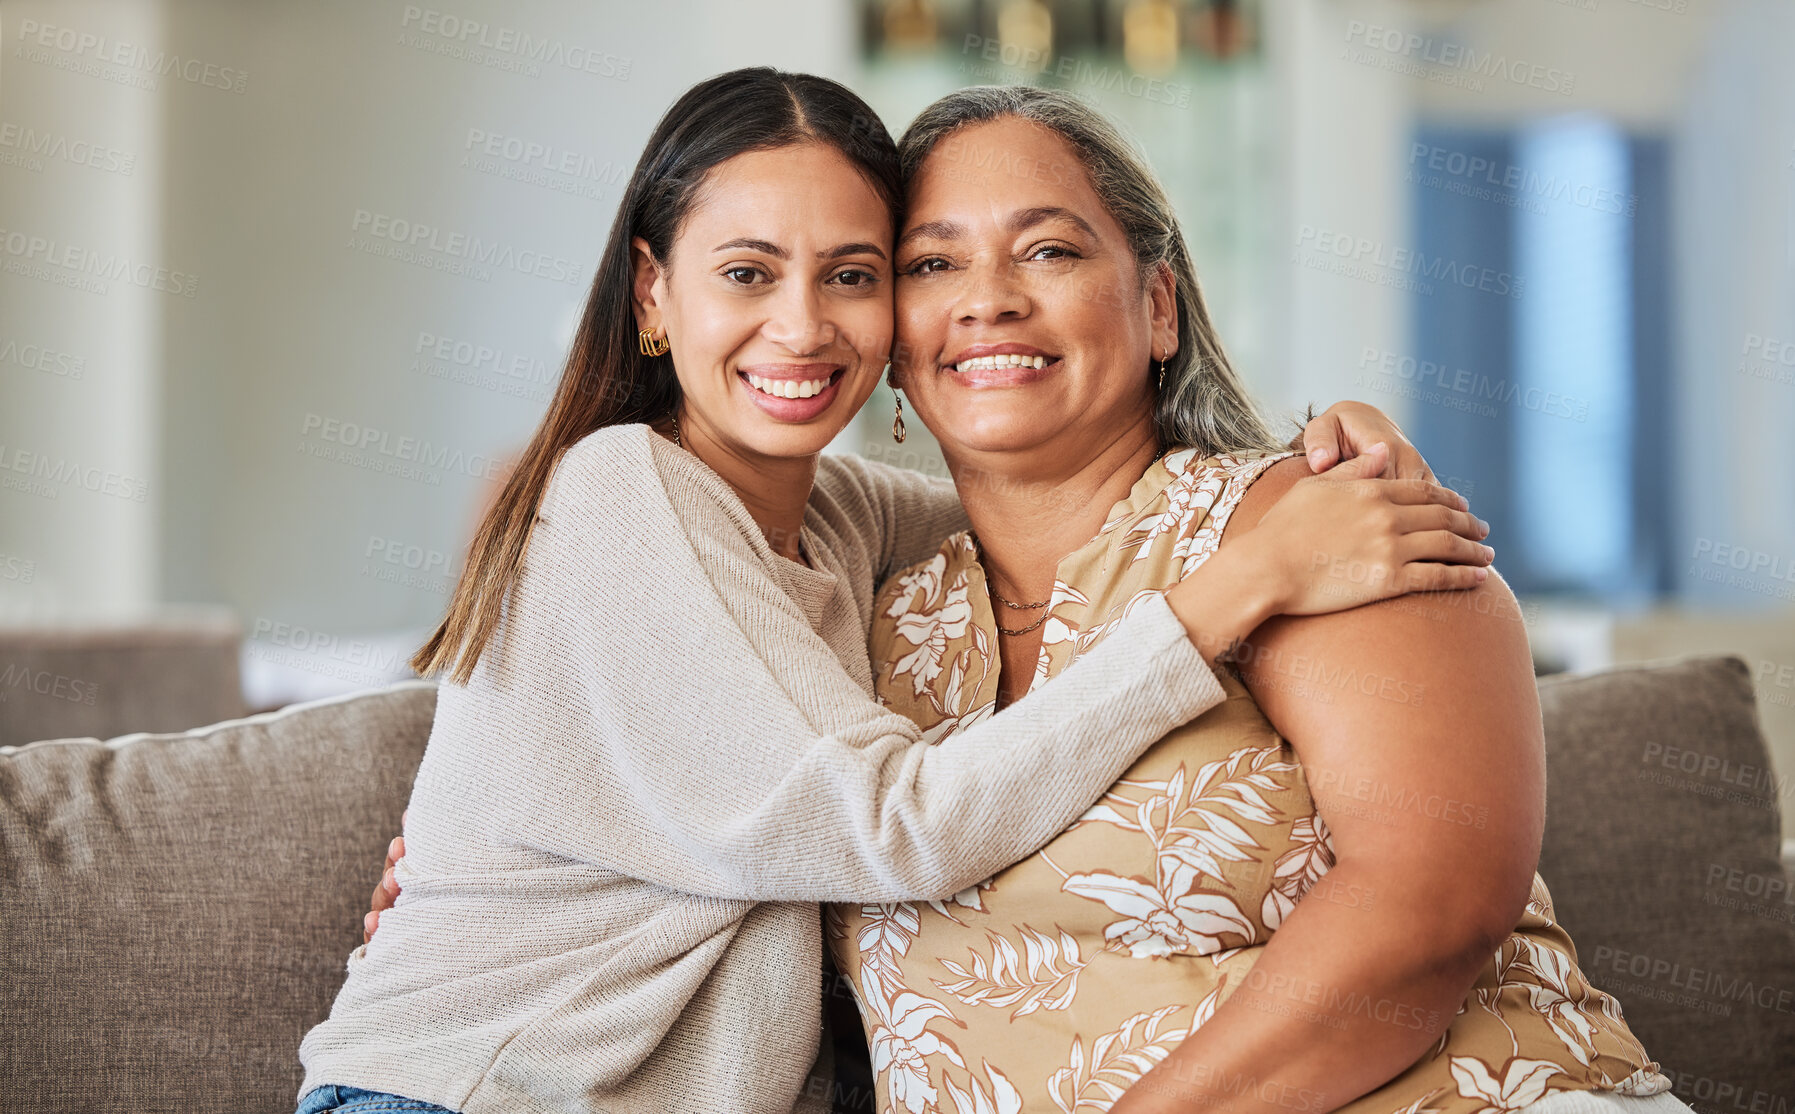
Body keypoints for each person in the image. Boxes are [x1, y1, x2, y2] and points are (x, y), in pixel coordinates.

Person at [318, 68, 1485, 1114]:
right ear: (652, 295)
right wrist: (1244, 583)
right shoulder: (622, 487)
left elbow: (1066, 496)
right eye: (745, 273)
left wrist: (1316, 458)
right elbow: (899, 827)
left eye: (857, 274)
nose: (802, 325)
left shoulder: (845, 517)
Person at [821, 85, 1687, 1114]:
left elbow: (1432, 906)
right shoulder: (874, 616)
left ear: (1158, 308)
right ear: (885, 344)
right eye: (931, 263)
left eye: (1049, 250)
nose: (990, 297)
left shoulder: (1321, 526)